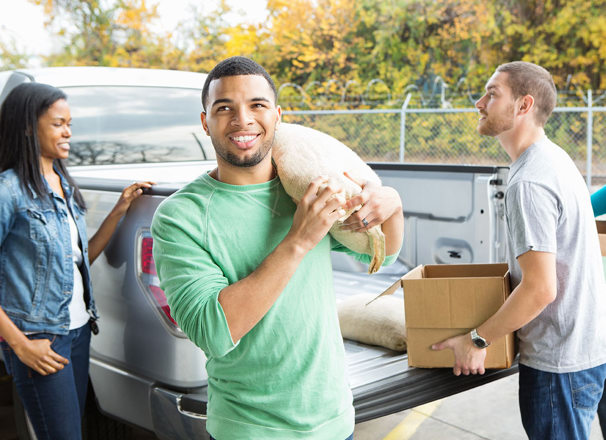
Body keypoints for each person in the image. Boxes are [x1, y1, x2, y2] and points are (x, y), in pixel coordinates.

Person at [151, 56, 404, 439]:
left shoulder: (304, 186)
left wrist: (393, 207)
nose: (242, 119)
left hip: (335, 421)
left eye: (257, 105)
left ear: (278, 115)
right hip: (249, 429)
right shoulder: (179, 217)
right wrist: (299, 240)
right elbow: (213, 331)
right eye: (224, 108)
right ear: (205, 122)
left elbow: (379, 254)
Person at [432, 61, 606, 439]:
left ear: (524, 106)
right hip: (589, 349)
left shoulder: (528, 181)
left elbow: (541, 288)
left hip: (560, 365)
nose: (479, 102)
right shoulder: (556, 159)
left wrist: (477, 339)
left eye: (492, 94)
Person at [0, 82, 152, 440]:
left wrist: (120, 210)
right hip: (39, 338)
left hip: (79, 329)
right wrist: (20, 345)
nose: (68, 132)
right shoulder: (8, 190)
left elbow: (79, 260)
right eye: (57, 123)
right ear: (26, 127)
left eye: (69, 123)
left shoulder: (63, 184)